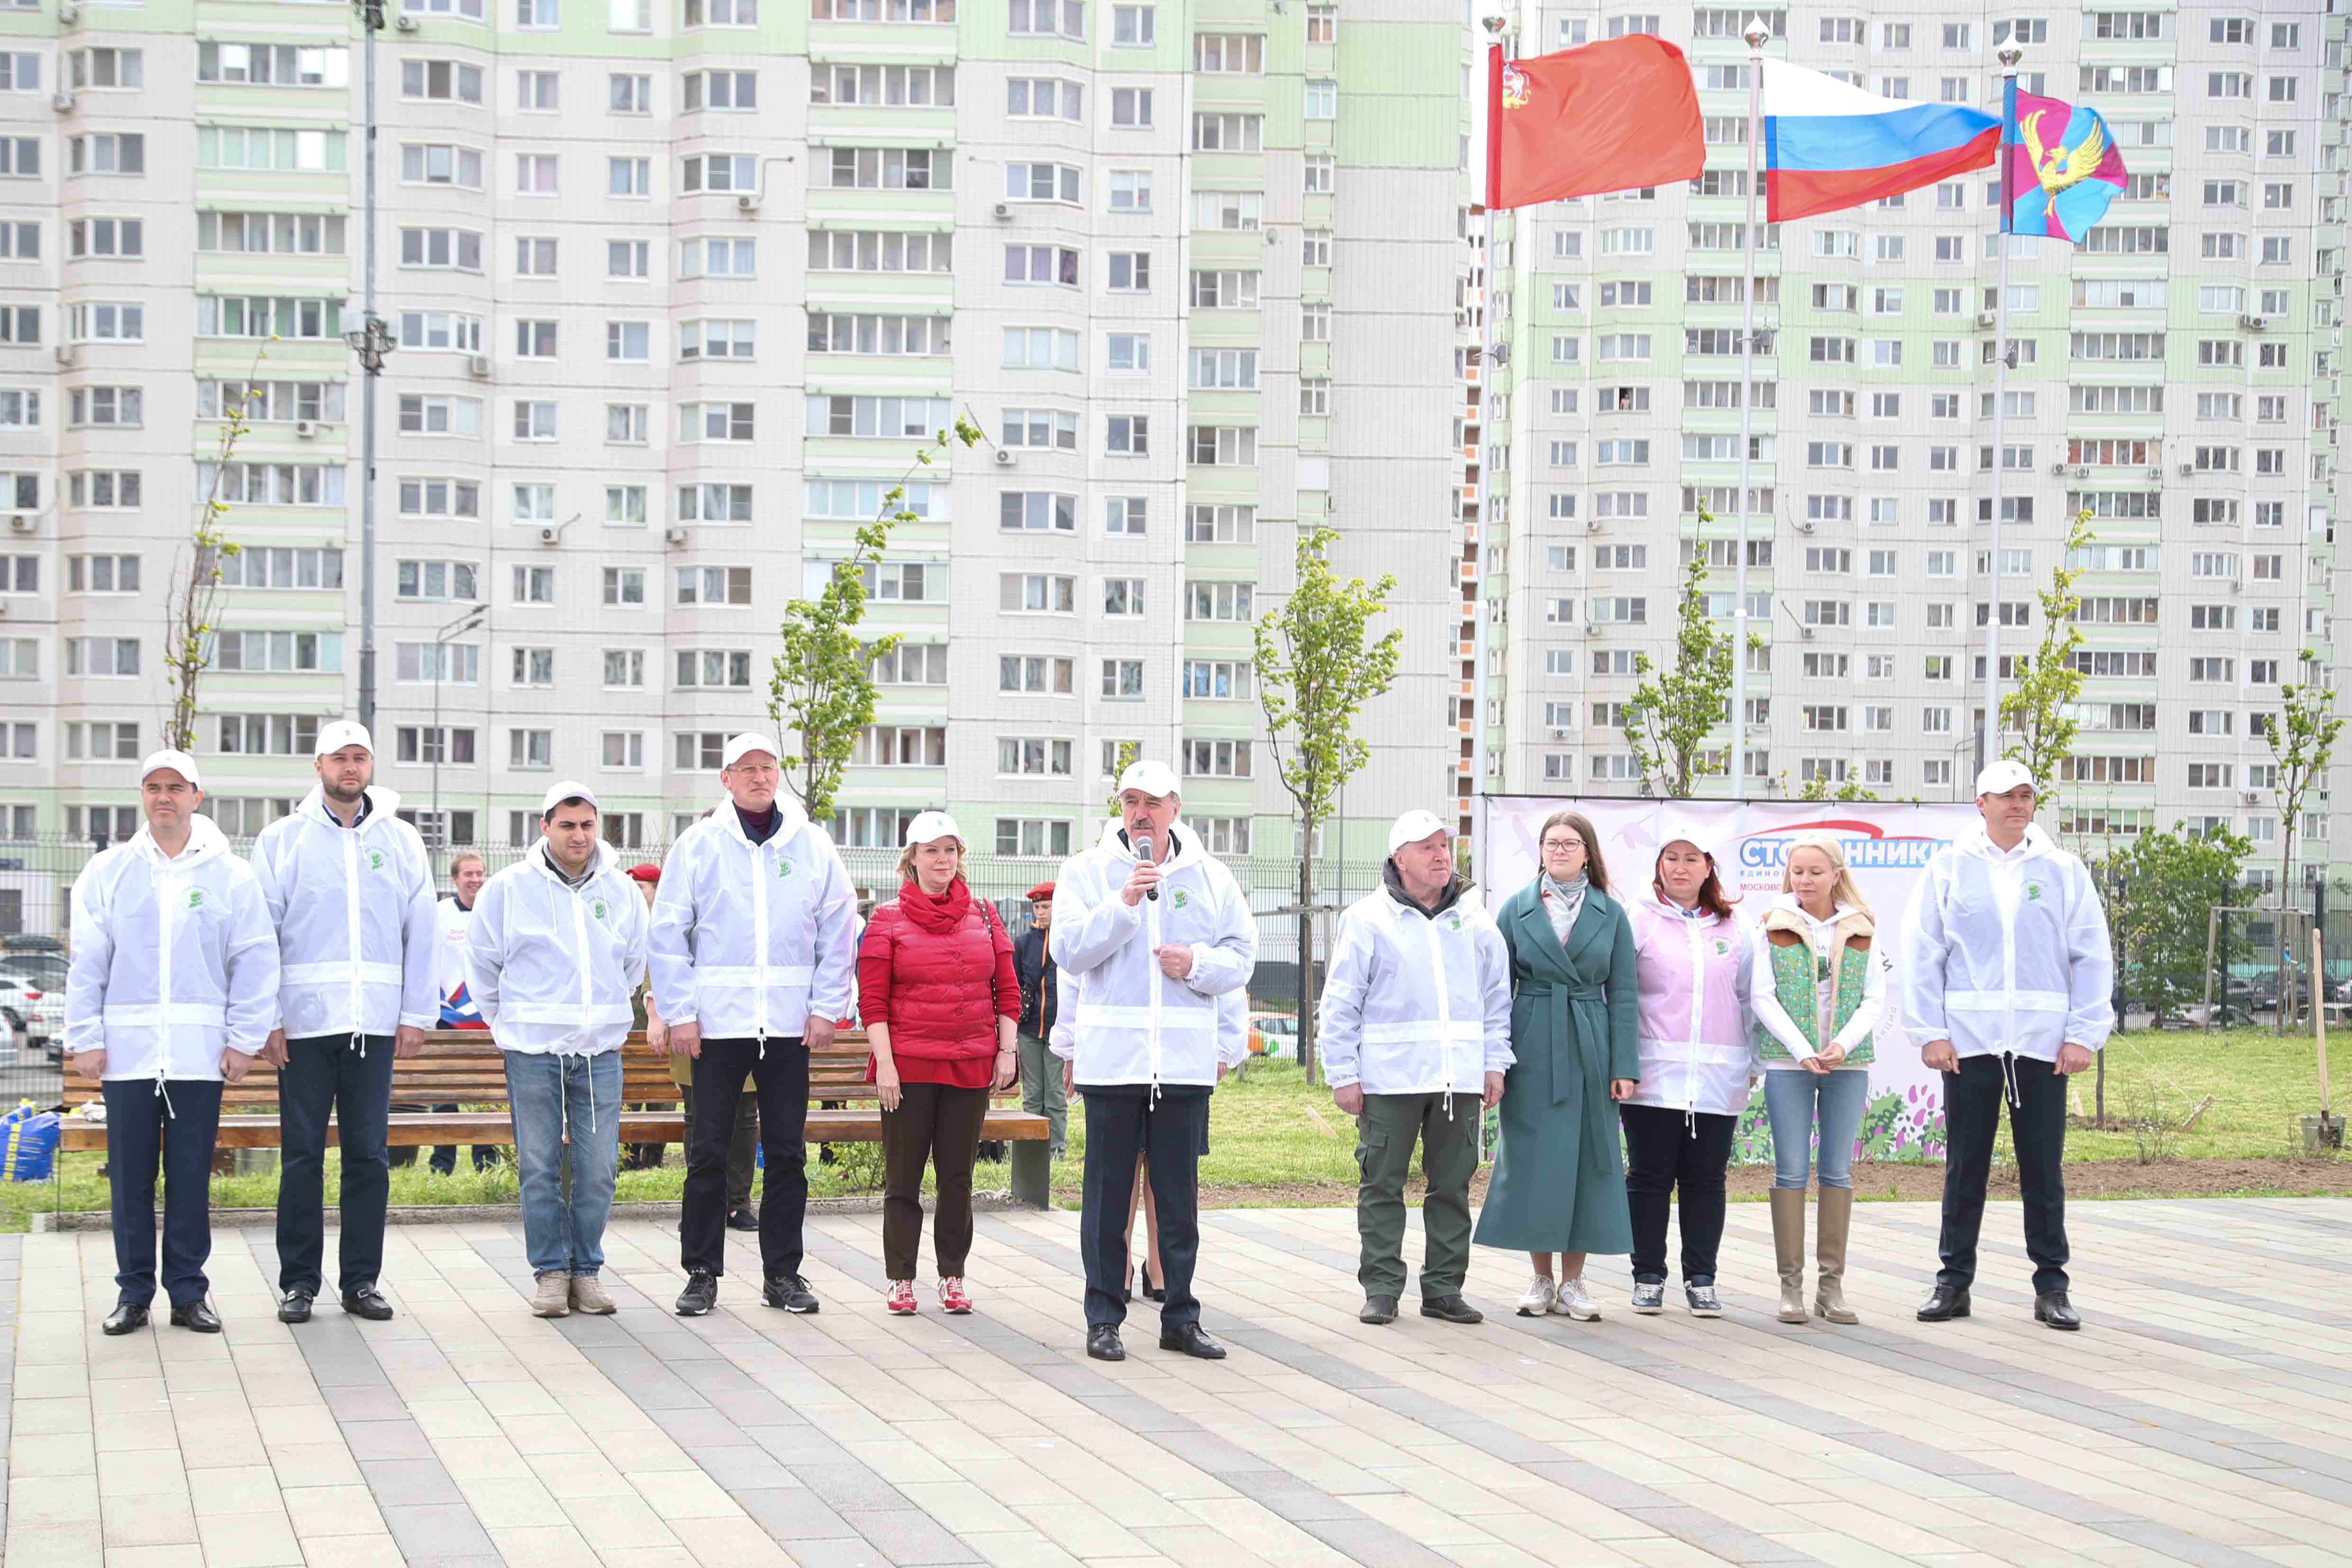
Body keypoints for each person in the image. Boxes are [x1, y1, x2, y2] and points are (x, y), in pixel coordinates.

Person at [66, 752, 279, 1336]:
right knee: (130, 1180)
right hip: (128, 1055)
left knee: (189, 1179)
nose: (164, 797)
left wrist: (244, 1040)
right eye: (154, 787)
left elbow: (255, 959)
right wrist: (85, 1037)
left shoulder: (230, 875)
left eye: (176, 788)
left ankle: (188, 1292)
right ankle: (133, 1293)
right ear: (143, 796)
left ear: (196, 797)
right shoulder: (109, 871)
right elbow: (88, 960)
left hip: (197, 1056)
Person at [1050, 761, 1255, 1363]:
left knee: (1177, 1201)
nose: (1140, 813)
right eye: (1130, 801)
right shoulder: (1088, 871)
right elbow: (1068, 952)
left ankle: (1180, 1318)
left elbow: (1241, 958)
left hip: (1183, 1066)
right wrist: (1123, 904)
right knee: (1106, 1200)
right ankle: (1103, 1317)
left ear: (1175, 809)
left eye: (1152, 802)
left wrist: (1195, 964)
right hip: (1113, 1064)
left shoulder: (1211, 877)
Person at [651, 733, 859, 1317]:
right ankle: (701, 1273)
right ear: (726, 778)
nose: (759, 777)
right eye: (746, 769)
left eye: (767, 768)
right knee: (708, 1152)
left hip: (790, 1026)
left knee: (787, 1153)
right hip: (717, 1028)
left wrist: (826, 1007)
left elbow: (839, 925)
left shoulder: (810, 843)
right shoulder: (699, 845)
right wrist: (681, 1013)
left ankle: (782, 1274)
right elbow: (667, 933)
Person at [1903, 760, 2113, 1332]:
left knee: (2041, 1167)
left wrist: (2082, 1034)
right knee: (1964, 1165)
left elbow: (2090, 954)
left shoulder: (2062, 870)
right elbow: (1923, 953)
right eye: (2005, 796)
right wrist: (1929, 1031)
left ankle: (2052, 1287)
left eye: (2025, 795)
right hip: (1968, 1042)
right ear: (1981, 804)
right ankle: (1952, 1283)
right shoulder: (1948, 868)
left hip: (2041, 1045)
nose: (2017, 805)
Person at [251, 721, 438, 1325]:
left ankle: (360, 1281)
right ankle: (299, 1283)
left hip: (374, 1025)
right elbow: (261, 935)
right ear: (319, 766)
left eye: (359, 757)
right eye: (338, 758)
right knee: (302, 1158)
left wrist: (415, 1014)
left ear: (371, 766)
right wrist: (267, 1018)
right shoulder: (283, 840)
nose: (349, 768)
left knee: (368, 1157)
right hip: (303, 1028)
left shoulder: (401, 840)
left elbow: (421, 930)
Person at [1319, 811, 1510, 1326]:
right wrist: (1342, 1073)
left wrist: (1494, 1064)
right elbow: (1340, 1002)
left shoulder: (1475, 919)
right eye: (1427, 848)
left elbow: (1497, 999)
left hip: (1458, 1079)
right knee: (1382, 1185)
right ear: (1399, 858)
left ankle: (1443, 1289)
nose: (1441, 855)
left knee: (1452, 1187)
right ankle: (1382, 1288)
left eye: (1444, 845)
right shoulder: (1366, 919)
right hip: (1389, 1080)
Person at [464, 784, 648, 1316]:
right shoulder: (508, 889)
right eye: (567, 825)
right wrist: (510, 1025)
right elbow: (482, 965)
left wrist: (600, 1014)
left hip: (598, 1053)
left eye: (587, 825)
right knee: (539, 1166)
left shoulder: (621, 891)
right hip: (533, 1051)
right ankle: (551, 1272)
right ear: (545, 827)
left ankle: (586, 1270)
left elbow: (633, 966)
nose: (578, 835)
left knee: (598, 1168)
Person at [1473, 811, 1637, 1321]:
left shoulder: (1611, 913)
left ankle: (1574, 1282)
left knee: (1587, 1160)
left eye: (1569, 843)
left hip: (1590, 1044)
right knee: (1533, 1158)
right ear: (1540, 851)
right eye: (1550, 843)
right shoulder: (1516, 909)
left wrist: (1624, 1066)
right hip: (1531, 1041)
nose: (1559, 850)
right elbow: (1495, 990)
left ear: (1588, 853)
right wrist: (1493, 1061)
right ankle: (1541, 1278)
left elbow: (1624, 994)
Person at [857, 813, 1019, 1314]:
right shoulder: (886, 919)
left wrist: (1006, 1050)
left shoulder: (985, 914)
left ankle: (953, 1275)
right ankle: (901, 1278)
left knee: (957, 1178)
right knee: (903, 1179)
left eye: (950, 850)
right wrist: (885, 1065)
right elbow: (872, 1001)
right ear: (912, 858)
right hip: (907, 1068)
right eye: (931, 850)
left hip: (968, 1065)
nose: (942, 859)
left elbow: (1007, 989)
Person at [1749, 832, 1886, 1326]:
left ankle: (1832, 1288)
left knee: (1836, 1172)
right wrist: (1801, 1049)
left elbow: (1873, 998)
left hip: (1846, 1066)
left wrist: (1841, 1045)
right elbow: (1761, 995)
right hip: (1790, 1066)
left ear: (1835, 875)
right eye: (1797, 871)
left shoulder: (1860, 926)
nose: (1804, 880)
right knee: (1790, 1171)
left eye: (1814, 871)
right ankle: (1790, 1287)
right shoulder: (1773, 924)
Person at [1620, 825, 1755, 1318]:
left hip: (1717, 1077)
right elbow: (1620, 994)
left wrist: (1753, 1062)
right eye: (1671, 857)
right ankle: (1647, 1276)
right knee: (1649, 1177)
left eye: (1691, 858)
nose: (1680, 867)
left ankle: (1701, 1278)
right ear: (1658, 865)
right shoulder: (1637, 918)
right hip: (1652, 1077)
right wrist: (1621, 1063)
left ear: (1708, 866)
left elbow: (1749, 998)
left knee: (1706, 1180)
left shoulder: (1735, 925)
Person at [626, 859, 760, 1205]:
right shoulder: (685, 891)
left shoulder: (755, 895)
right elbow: (663, 955)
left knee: (745, 1116)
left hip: (746, 1020)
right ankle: (704, 1204)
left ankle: (738, 1202)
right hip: (693, 1021)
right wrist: (657, 1012)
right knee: (699, 1115)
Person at [424, 850, 497, 1176]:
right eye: (468, 874)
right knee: (446, 1093)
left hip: (488, 1019)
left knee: (487, 1094)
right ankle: (442, 1165)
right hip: (449, 1018)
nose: (476, 880)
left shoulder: (494, 912)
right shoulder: (439, 914)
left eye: (480, 873)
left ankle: (487, 1162)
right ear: (455, 879)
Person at [1012, 881, 1066, 1162]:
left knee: (1055, 1093)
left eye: (1046, 906)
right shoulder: (1023, 942)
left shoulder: (1066, 939)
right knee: (1032, 1093)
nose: (1041, 912)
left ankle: (1056, 1149)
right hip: (1030, 1028)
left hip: (1058, 1029)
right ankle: (1031, 1151)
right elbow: (1014, 984)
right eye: (1037, 907)